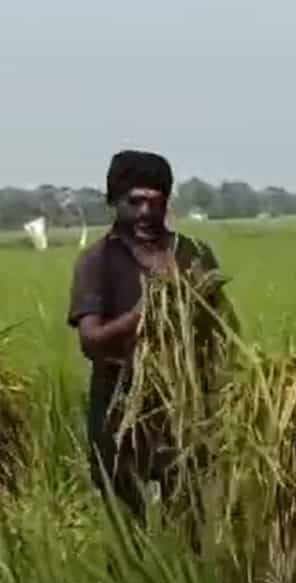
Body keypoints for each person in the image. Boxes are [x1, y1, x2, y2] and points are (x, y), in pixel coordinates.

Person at [67, 150, 235, 522]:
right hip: (119, 408)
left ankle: (187, 579)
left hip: (187, 410)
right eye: (134, 201)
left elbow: (221, 330)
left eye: (155, 202)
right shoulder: (98, 261)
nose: (145, 212)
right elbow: (91, 341)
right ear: (114, 202)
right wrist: (145, 315)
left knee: (192, 517)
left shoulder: (193, 253)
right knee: (127, 525)